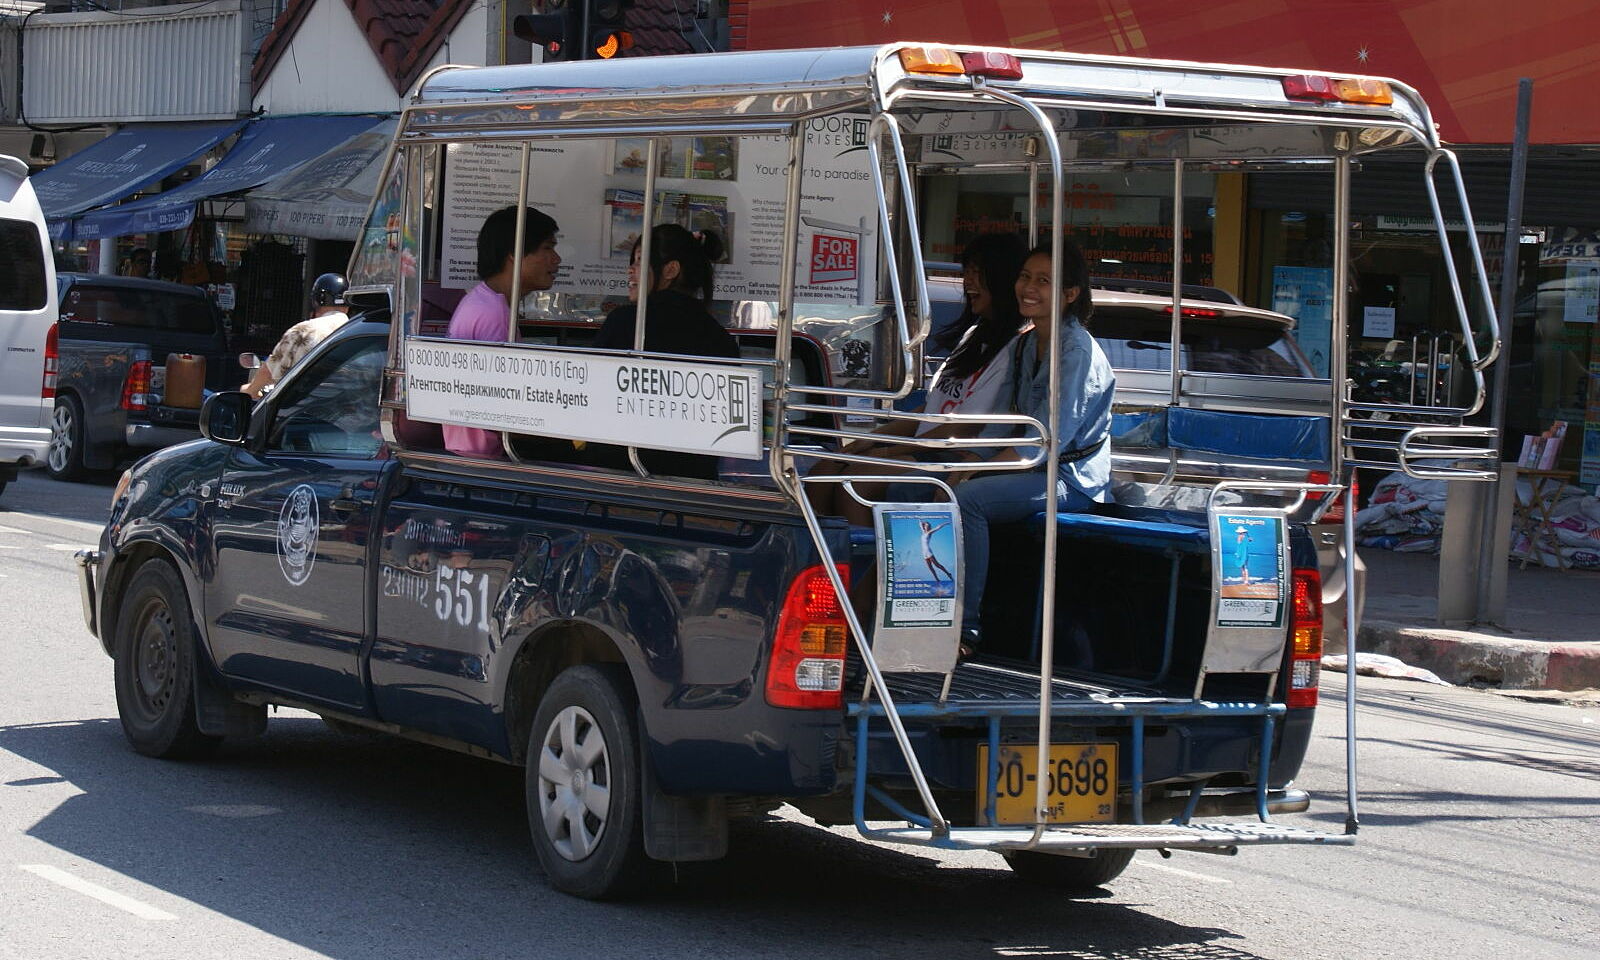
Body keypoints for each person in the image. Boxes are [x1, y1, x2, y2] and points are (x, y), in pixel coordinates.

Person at [953, 238, 1115, 655]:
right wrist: (967, 462)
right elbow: (1001, 425)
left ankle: (964, 630)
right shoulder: (1025, 343)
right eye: (1026, 277)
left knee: (968, 499)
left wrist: (974, 473)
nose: (1029, 288)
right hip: (1030, 468)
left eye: (1044, 281)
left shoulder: (1077, 353)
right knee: (922, 488)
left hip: (1071, 479)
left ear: (1070, 293)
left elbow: (1045, 441)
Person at [809, 232, 1028, 524]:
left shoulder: (1016, 348)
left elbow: (962, 429)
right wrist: (869, 441)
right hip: (926, 447)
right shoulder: (975, 335)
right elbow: (930, 410)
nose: (968, 282)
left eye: (978, 273)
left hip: (957, 454)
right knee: (823, 472)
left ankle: (868, 553)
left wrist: (889, 451)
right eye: (967, 272)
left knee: (857, 486)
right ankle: (826, 552)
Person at [587, 224, 739, 479]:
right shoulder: (720, 337)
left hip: (620, 474)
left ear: (670, 270)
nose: (630, 270)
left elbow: (592, 397)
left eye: (639, 261)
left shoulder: (625, 322)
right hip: (692, 480)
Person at [443, 205, 561, 459]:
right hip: (485, 460)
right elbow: (500, 409)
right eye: (548, 248)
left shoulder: (482, 301)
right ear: (514, 254)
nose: (556, 259)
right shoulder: (493, 312)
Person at [242, 273, 351, 399]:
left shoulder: (304, 331)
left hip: (305, 407)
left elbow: (269, 372)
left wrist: (250, 390)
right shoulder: (357, 330)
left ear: (316, 301)